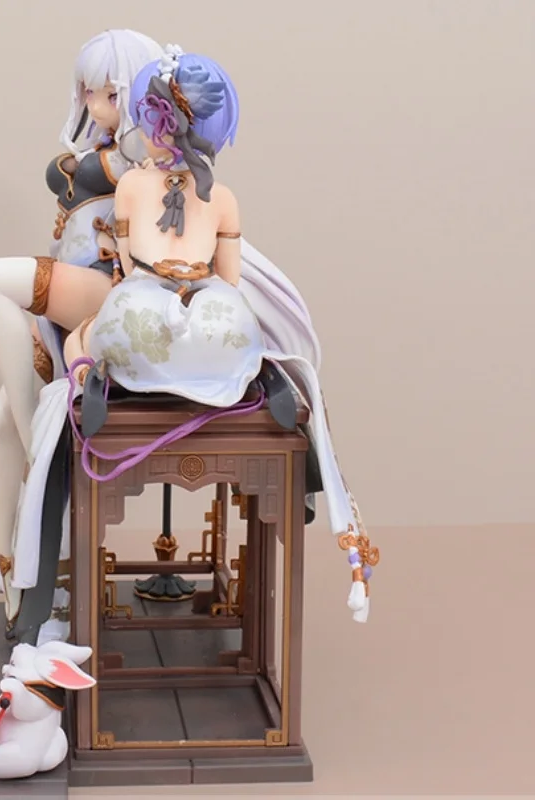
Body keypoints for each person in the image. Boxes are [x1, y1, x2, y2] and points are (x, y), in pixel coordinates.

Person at [26, 46, 377, 627]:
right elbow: (230, 278)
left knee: (80, 337)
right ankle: (247, 377)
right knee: (239, 329)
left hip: (143, 317)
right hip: (216, 324)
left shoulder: (132, 185)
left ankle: (89, 380)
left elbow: (127, 265)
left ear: (151, 119)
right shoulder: (225, 197)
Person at [0, 29, 164, 642]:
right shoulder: (106, 142)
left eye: (110, 93)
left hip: (105, 288)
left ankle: (43, 446)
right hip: (70, 296)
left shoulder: (146, 146)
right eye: (88, 91)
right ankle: (17, 584)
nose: (95, 104)